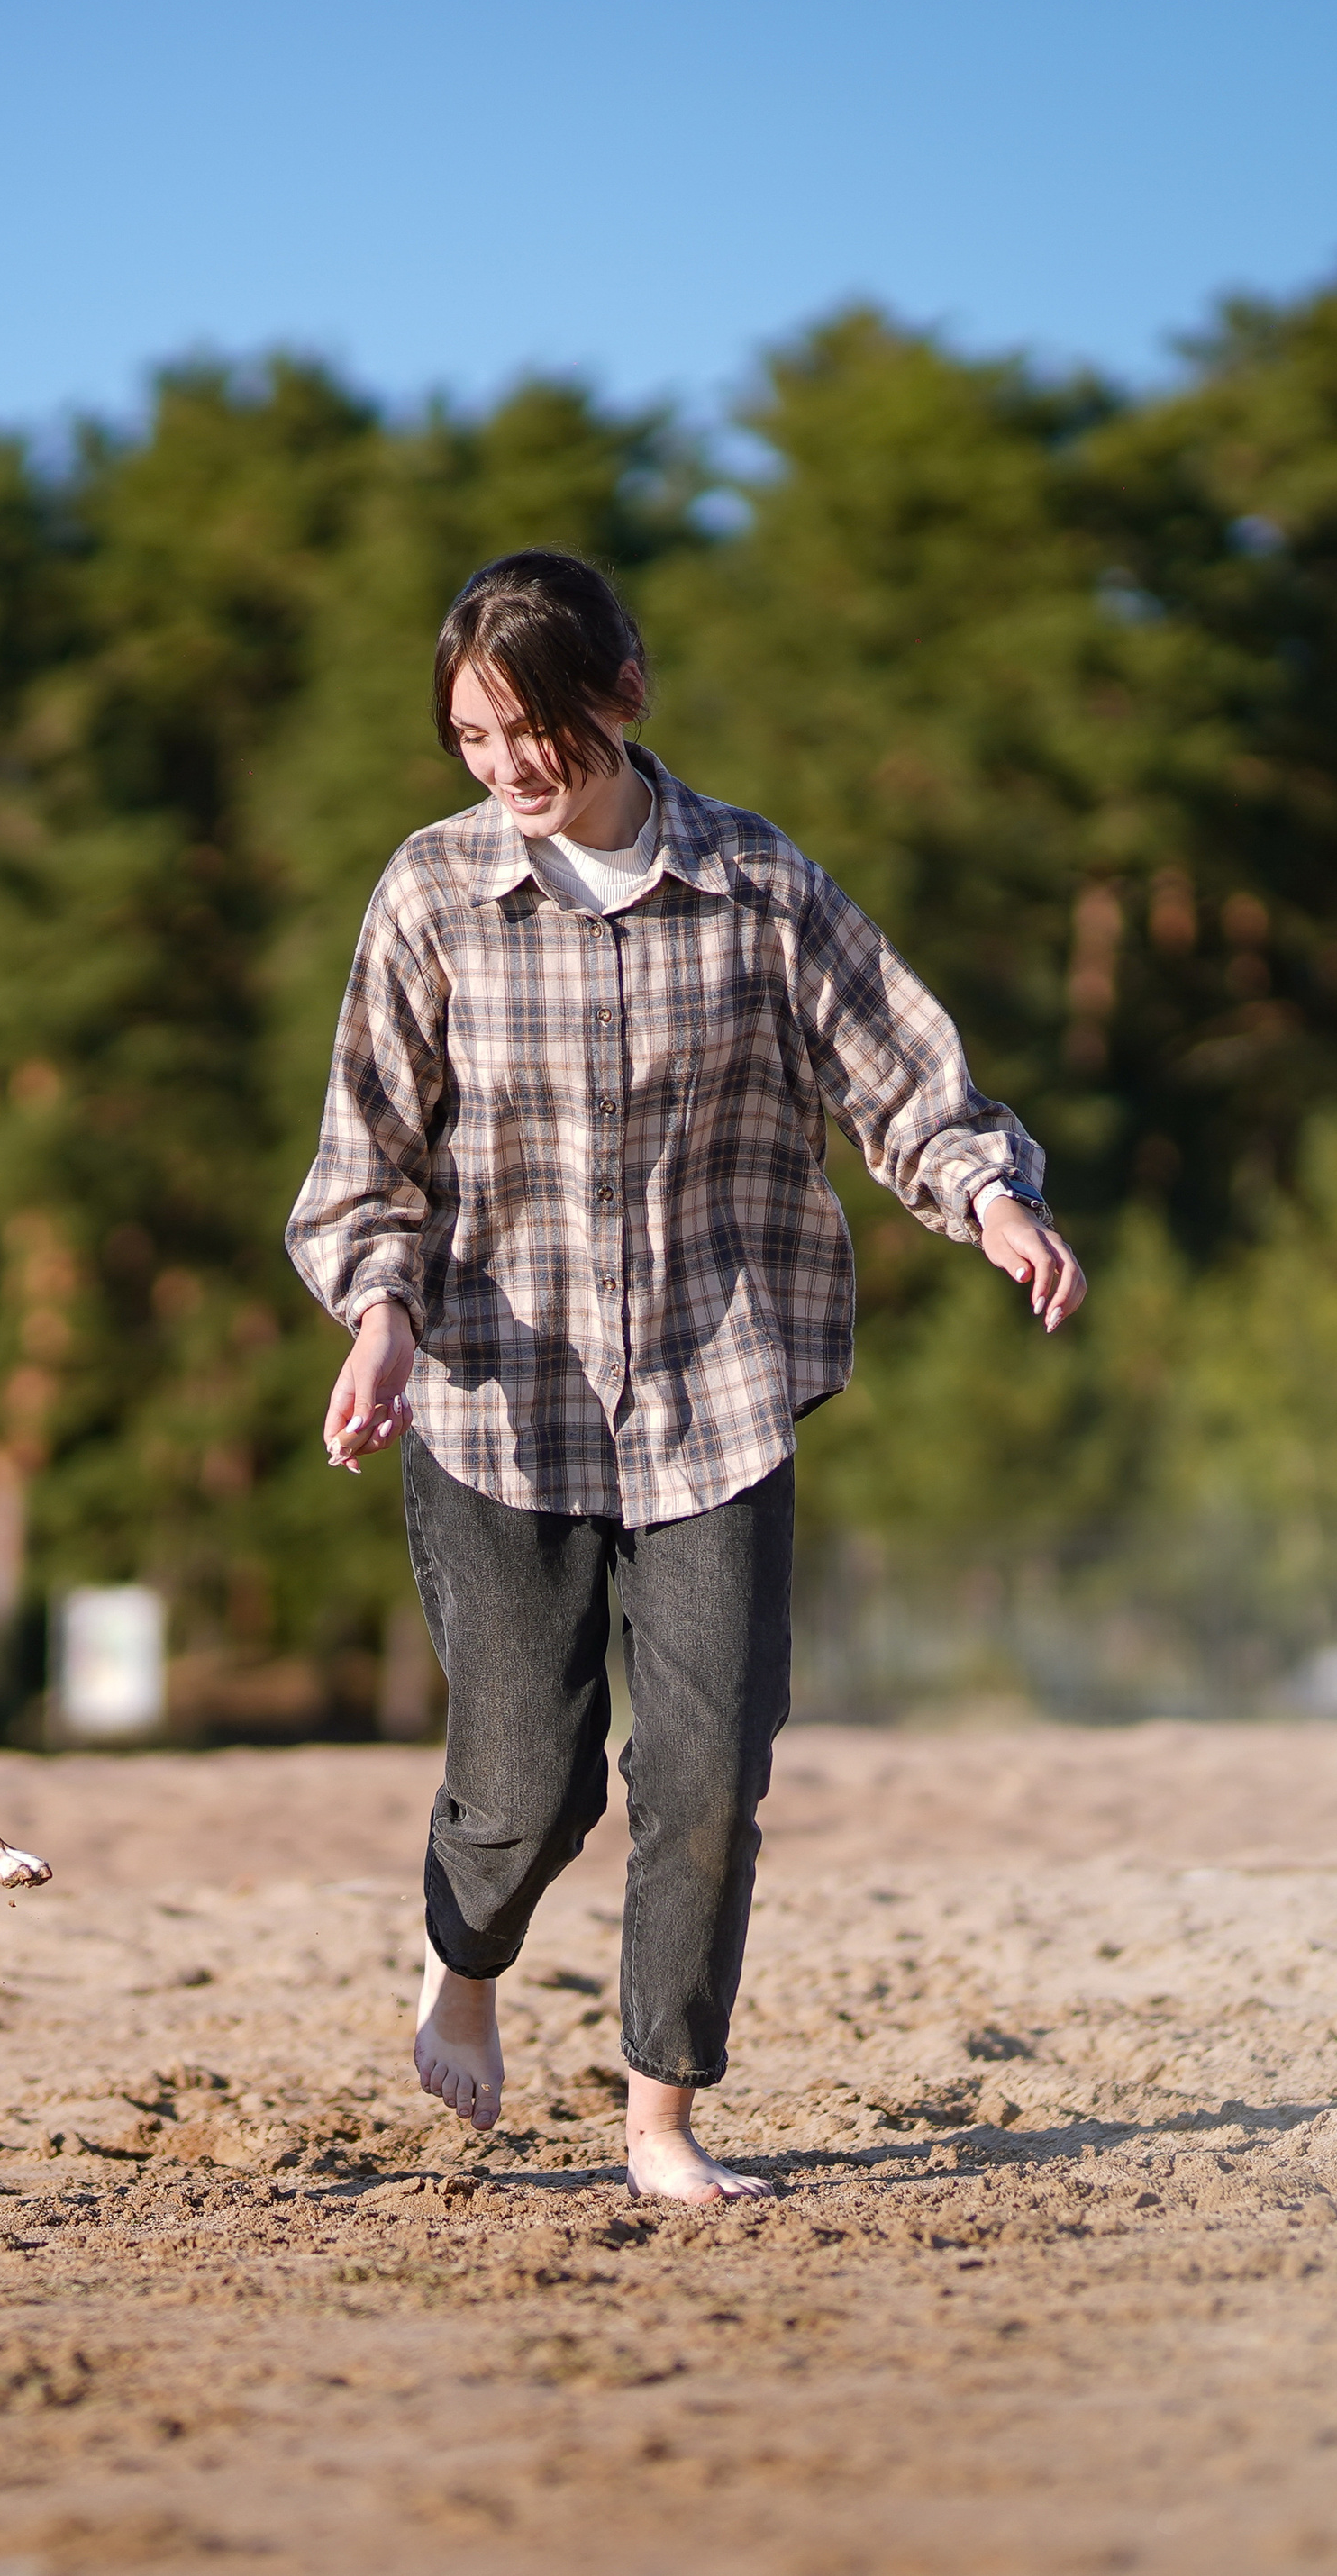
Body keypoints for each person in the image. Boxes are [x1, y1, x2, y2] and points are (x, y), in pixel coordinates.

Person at [285, 549, 1085, 2204]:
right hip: (497, 1401)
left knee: (709, 1767)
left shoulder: (758, 884)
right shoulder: (431, 894)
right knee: (523, 1784)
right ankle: (465, 1955)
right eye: (471, 738)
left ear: (621, 696)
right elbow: (368, 1160)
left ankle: (659, 2116)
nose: (505, 769)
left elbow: (900, 1074)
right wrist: (382, 1319)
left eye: (533, 730)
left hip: (716, 1388)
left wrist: (994, 1199)